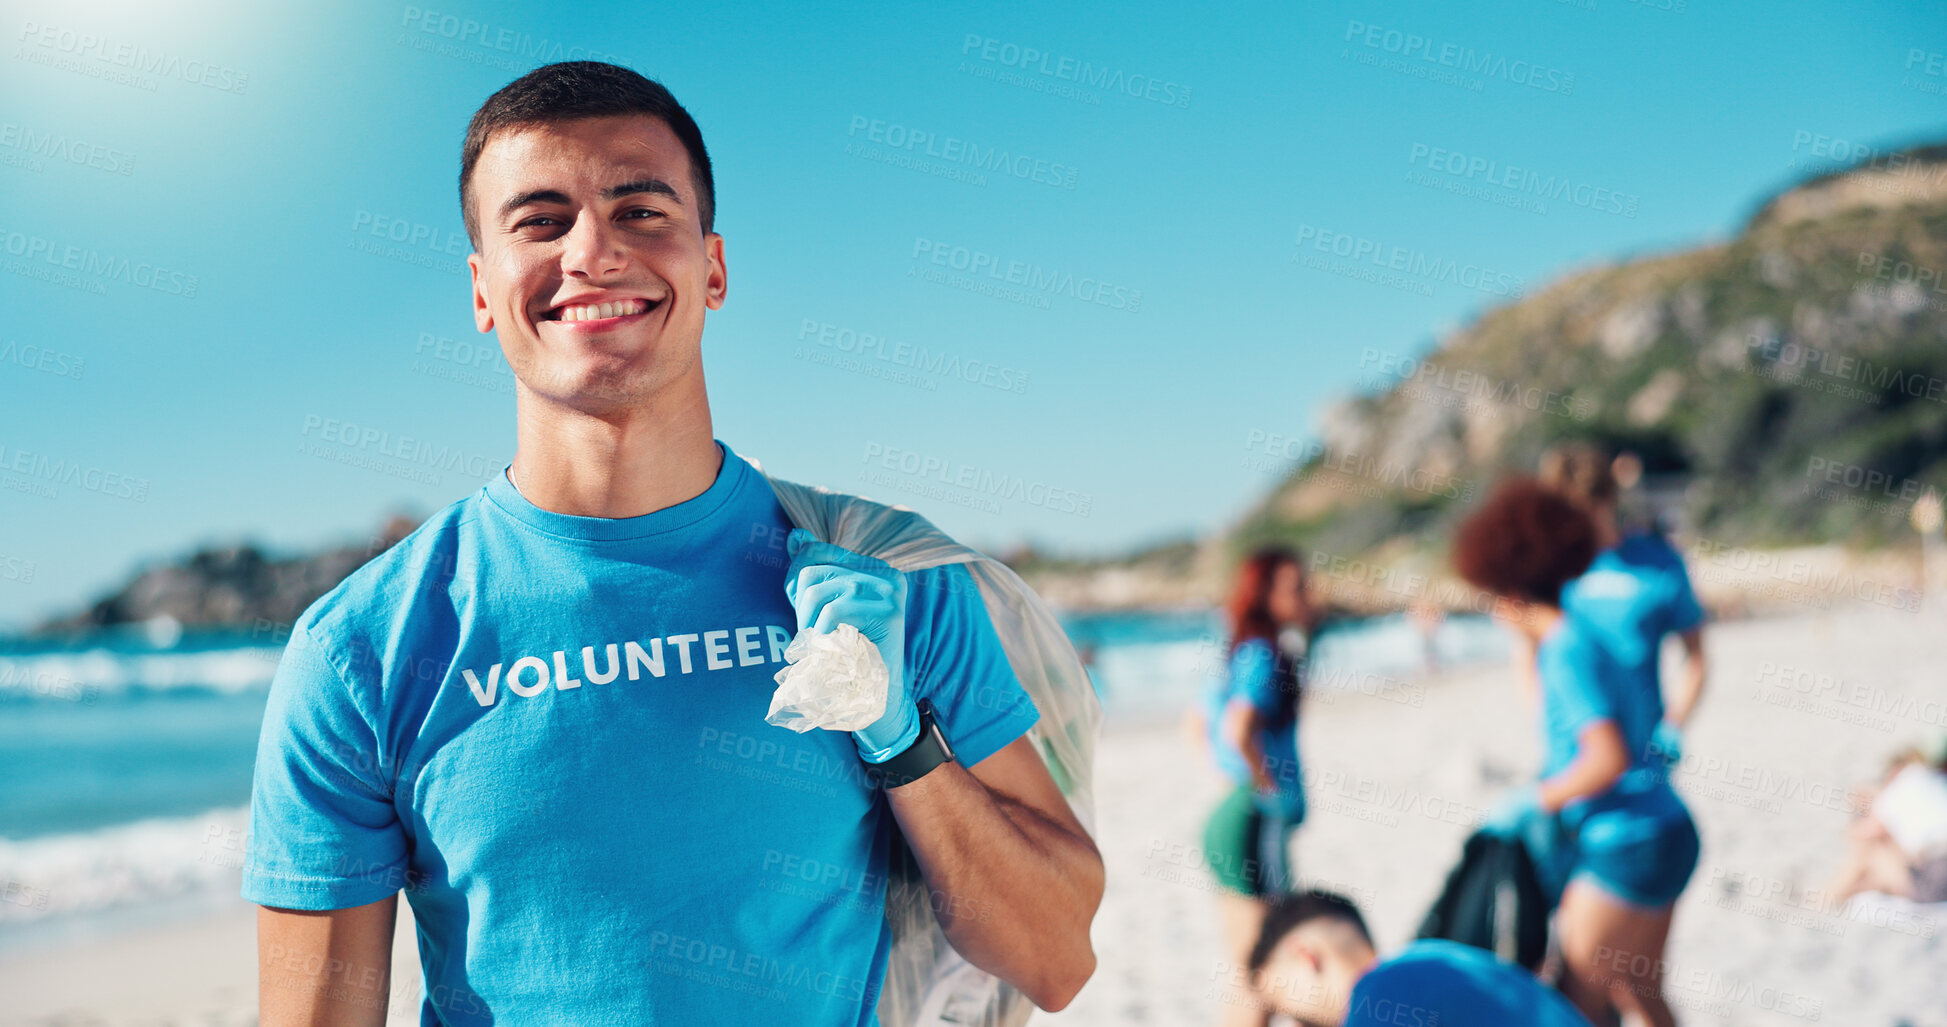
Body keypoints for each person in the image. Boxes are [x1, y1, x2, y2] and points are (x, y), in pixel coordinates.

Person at [242, 61, 1102, 1025]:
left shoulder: (888, 581)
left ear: (714, 268)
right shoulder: (360, 652)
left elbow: (1056, 955)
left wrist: (898, 734)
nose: (594, 252)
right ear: (482, 290)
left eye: (642, 210)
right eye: (540, 220)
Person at [1452, 479, 1700, 1027]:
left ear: (1511, 592)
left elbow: (1605, 758)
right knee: (1639, 988)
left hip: (1625, 842)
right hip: (1667, 826)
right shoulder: (1584, 633)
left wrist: (1535, 800)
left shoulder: (1565, 649)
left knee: (1569, 1004)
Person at [1184, 545, 1318, 1027]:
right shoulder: (1267, 654)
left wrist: (1229, 781)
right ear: (1265, 595)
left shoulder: (1239, 649)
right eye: (1297, 586)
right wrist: (1266, 790)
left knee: (1249, 965)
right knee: (1265, 967)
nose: (1309, 594)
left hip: (1232, 816)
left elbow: (1196, 723)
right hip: (1254, 823)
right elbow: (1238, 729)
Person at [1535, 442, 1707, 764]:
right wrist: (1544, 717)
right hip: (1572, 754)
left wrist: (1675, 724)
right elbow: (1528, 648)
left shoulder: (1660, 564)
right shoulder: (1549, 569)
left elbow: (1696, 657)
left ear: (1607, 501)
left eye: (1584, 513)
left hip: (1642, 748)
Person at [1247, 889, 1591, 1026]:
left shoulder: (1376, 998)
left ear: (1306, 957)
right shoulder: (1434, 956)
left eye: (1283, 1005)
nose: (1297, 1021)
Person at [1830, 747, 1947, 904]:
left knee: (1869, 852)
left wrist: (1867, 804)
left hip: (1938, 874)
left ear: (1894, 771)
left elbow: (1863, 833)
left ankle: (1823, 901)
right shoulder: (1935, 780)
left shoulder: (1896, 790)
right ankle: (1830, 898)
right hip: (1934, 866)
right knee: (1878, 865)